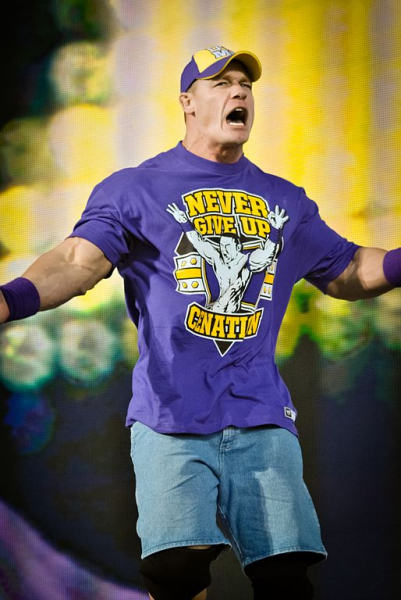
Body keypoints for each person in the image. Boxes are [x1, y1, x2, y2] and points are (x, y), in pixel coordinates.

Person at [0, 45, 400, 600]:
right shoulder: (134, 189)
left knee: (286, 575)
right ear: (187, 102)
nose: (239, 92)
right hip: (170, 415)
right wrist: (10, 299)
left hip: (260, 413)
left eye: (246, 85)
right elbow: (76, 262)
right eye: (221, 83)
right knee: (175, 573)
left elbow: (349, 269)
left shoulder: (284, 200)